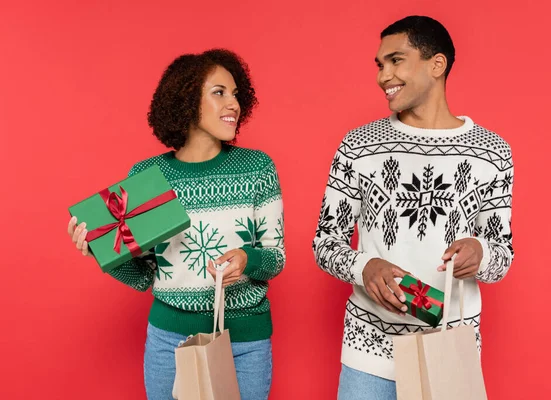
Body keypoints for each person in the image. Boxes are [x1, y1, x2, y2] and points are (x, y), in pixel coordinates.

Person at [313, 16, 514, 399]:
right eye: (380, 64)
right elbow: (326, 242)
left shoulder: (493, 152)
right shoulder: (358, 146)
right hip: (369, 354)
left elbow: (502, 255)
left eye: (396, 60)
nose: (382, 75)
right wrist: (364, 266)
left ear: (436, 65)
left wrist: (481, 252)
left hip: (450, 350)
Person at [68, 49, 285, 400]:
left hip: (244, 342)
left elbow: (275, 257)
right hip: (169, 342)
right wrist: (101, 253)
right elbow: (143, 276)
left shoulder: (258, 167)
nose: (234, 104)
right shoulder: (147, 179)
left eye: (235, 94)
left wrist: (247, 259)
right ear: (187, 101)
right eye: (219, 93)